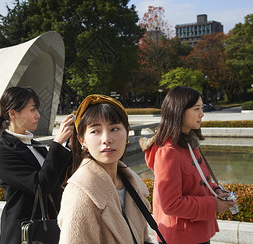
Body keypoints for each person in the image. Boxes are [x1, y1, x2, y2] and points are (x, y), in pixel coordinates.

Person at [140, 86, 237, 244]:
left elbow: (198, 183)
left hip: (197, 231)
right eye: (196, 109)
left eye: (202, 108)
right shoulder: (168, 152)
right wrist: (214, 205)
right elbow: (171, 204)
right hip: (181, 237)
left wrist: (217, 190)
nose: (202, 114)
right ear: (179, 111)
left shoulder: (188, 143)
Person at [58, 94, 153, 244]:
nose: (106, 139)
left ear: (127, 133)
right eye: (95, 131)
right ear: (82, 140)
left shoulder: (132, 184)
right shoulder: (81, 193)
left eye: (114, 129)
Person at [0, 87, 74, 244]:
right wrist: (57, 143)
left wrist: (70, 146)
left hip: (48, 228)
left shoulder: (36, 146)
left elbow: (55, 181)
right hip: (23, 233)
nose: (38, 115)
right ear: (13, 114)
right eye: (32, 109)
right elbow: (41, 186)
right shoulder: (4, 153)